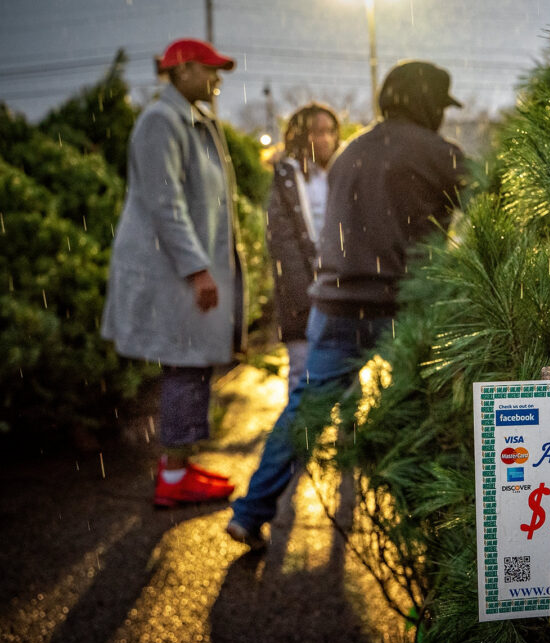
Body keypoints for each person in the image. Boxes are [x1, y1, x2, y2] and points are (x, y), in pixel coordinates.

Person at [227, 60, 467, 548]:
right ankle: (424, 533)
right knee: (417, 411)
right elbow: (495, 208)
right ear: (425, 104)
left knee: (305, 411)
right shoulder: (440, 153)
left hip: (334, 305)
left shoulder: (350, 151)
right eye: (439, 105)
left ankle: (251, 513)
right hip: (402, 308)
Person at [101, 38, 245, 507]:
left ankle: (177, 467)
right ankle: (172, 477)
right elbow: (166, 204)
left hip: (182, 270)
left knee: (193, 366)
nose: (216, 78)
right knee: (186, 366)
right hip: (175, 273)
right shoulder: (160, 121)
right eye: (209, 69)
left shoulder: (191, 119)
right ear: (181, 71)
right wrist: (199, 270)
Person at [266, 104, 341, 392]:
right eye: (315, 132)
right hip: (300, 297)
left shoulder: (341, 172)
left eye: (330, 132)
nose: (325, 139)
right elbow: (282, 243)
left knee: (346, 374)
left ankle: (352, 437)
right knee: (301, 371)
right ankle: (301, 437)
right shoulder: (287, 177)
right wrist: (306, 296)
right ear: (300, 137)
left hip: (339, 291)